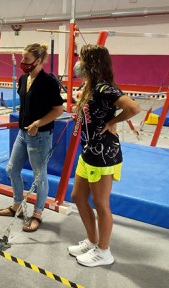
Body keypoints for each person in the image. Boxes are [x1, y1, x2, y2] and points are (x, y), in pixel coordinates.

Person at [68, 44, 140, 267]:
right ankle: (92, 241)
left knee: (100, 203)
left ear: (91, 62)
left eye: (81, 59)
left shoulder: (103, 87)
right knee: (78, 197)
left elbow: (133, 108)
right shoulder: (91, 87)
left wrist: (112, 122)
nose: (78, 64)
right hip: (88, 150)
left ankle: (104, 251)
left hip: (103, 153)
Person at [0, 43, 63, 232]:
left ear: (39, 61)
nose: (22, 62)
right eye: (22, 58)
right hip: (23, 133)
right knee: (12, 169)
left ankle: (38, 213)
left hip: (39, 135)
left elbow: (59, 110)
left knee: (39, 176)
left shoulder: (48, 83)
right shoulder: (23, 79)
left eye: (26, 59)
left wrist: (38, 123)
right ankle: (17, 204)